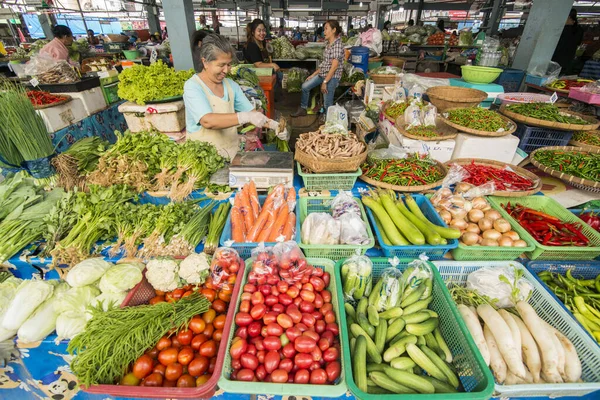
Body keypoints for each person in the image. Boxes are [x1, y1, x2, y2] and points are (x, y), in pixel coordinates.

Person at [183, 34, 284, 159]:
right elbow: (207, 121)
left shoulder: (231, 85)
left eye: (229, 64)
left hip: (230, 154)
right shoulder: (193, 86)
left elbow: (253, 114)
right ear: (205, 62)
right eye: (221, 65)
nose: (226, 70)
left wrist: (274, 125)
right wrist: (244, 117)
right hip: (203, 159)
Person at [292, 20, 344, 118]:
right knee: (305, 86)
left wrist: (324, 82)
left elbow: (334, 67)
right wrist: (313, 75)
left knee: (327, 103)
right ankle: (303, 108)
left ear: (334, 30)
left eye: (326, 29)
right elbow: (324, 64)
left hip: (332, 77)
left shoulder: (337, 45)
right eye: (324, 29)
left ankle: (327, 122)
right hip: (323, 74)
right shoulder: (328, 44)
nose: (324, 32)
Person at [552, 8, 584, 75]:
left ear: (568, 16)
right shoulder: (579, 30)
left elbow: (558, 46)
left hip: (556, 61)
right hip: (568, 61)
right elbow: (578, 43)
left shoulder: (562, 30)